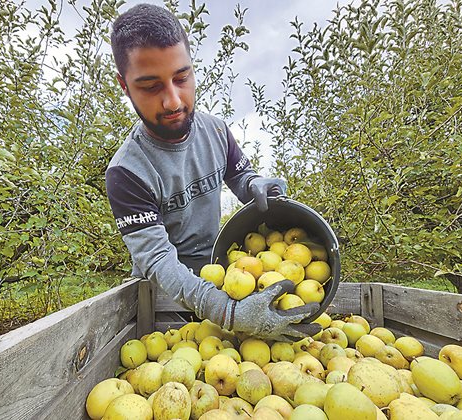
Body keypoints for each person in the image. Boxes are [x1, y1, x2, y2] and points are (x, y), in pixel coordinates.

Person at [105, 3, 320, 341]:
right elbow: (158, 261)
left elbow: (241, 179)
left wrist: (254, 184)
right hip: (160, 303)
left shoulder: (216, 132)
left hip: (228, 280)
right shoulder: (127, 173)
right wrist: (228, 313)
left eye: (181, 77)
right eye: (150, 86)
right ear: (124, 85)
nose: (173, 101)